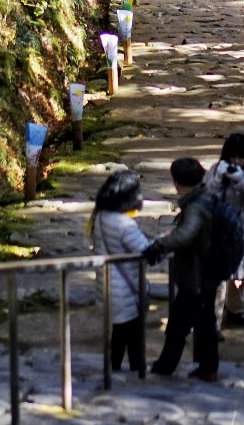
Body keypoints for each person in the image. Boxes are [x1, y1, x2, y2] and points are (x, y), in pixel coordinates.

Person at [145, 157, 224, 380]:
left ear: (177, 183)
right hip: (207, 273)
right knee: (203, 323)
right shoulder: (207, 196)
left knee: (180, 325)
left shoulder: (196, 206)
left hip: (196, 276)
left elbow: (186, 234)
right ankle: (206, 368)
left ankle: (169, 366)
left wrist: (159, 245)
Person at [90, 168, 152, 374]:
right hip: (125, 288)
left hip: (106, 282)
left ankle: (114, 368)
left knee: (119, 332)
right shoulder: (125, 224)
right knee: (133, 336)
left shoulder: (99, 216)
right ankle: (136, 372)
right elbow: (146, 251)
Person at [206, 131, 244, 324]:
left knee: (241, 274)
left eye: (241, 157)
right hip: (221, 229)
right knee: (220, 276)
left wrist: (241, 179)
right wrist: (218, 179)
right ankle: (215, 319)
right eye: (233, 157)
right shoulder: (217, 169)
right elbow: (208, 197)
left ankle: (234, 309)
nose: (237, 161)